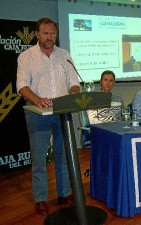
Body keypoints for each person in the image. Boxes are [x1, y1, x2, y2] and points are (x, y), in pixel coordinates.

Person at [16, 17, 80, 216]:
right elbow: (22, 86)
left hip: (62, 113)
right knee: (39, 160)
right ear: (37, 34)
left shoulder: (64, 55)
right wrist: (37, 99)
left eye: (53, 33)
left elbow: (73, 81)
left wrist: (75, 93)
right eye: (45, 33)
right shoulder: (26, 57)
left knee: (63, 157)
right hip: (38, 113)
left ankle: (64, 193)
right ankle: (41, 198)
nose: (50, 37)